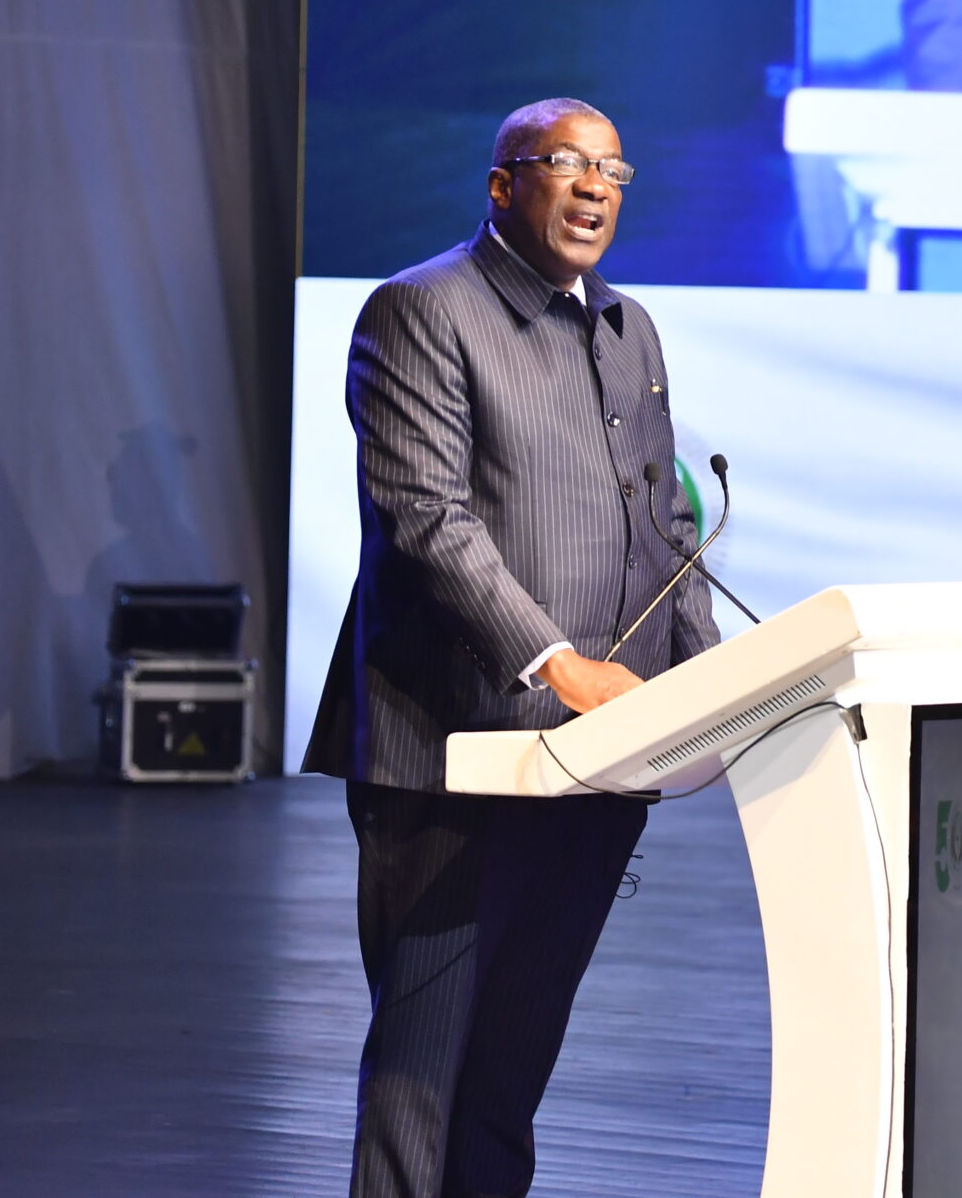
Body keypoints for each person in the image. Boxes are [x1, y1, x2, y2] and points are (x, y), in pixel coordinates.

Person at [303, 98, 717, 1196]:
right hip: (457, 751)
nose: (593, 188)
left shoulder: (629, 327)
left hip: (596, 758)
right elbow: (426, 519)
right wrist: (556, 662)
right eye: (565, 164)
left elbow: (663, 525)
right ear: (502, 184)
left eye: (612, 171)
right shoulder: (423, 309)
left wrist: (714, 686)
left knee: (510, 1071)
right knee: (423, 1073)